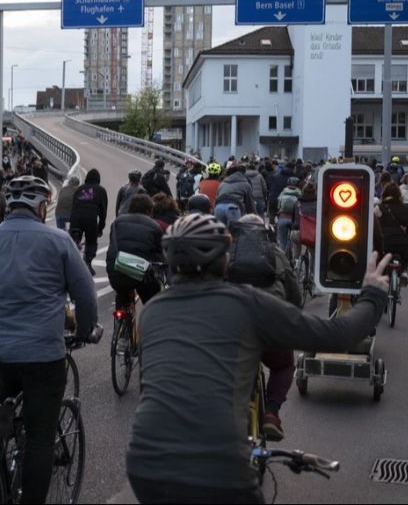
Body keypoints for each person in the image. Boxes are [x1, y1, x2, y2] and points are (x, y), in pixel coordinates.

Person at [126, 213, 389, 504]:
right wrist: (373, 295)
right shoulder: (245, 303)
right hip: (218, 471)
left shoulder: (151, 313)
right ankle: (271, 412)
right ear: (224, 260)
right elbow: (337, 335)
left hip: (144, 467)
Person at [0, 175, 98, 504]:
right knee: (41, 437)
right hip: (42, 353)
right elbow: (85, 296)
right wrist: (85, 330)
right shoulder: (58, 240)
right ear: (42, 207)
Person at [225, 213, 301, 441]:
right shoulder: (275, 253)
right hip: (270, 323)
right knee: (284, 366)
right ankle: (271, 413)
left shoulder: (226, 253)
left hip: (234, 326)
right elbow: (293, 292)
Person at [106, 193, 164, 327]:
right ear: (149, 210)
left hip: (116, 269)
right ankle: (152, 329)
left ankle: (120, 328)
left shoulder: (117, 222)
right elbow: (159, 256)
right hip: (140, 273)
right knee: (152, 301)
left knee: (122, 294)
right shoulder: (154, 227)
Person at [374, 183, 408, 285]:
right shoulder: (406, 209)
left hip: (385, 243)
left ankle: (380, 279)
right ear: (399, 194)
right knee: (404, 255)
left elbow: (374, 225)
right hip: (402, 243)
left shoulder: (379, 208)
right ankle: (404, 272)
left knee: (380, 262)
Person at [69, 169, 108, 276]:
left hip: (76, 217)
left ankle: (70, 263)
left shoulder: (79, 189)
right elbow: (103, 212)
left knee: (73, 240)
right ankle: (88, 262)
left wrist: (72, 223)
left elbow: (73, 206)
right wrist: (100, 228)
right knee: (91, 242)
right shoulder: (101, 190)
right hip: (90, 218)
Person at [276, 177, 302, 253]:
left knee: (282, 240)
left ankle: (281, 258)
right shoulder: (300, 194)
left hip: (283, 218)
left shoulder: (283, 193)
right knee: (296, 241)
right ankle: (295, 259)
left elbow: (278, 206)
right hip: (295, 221)